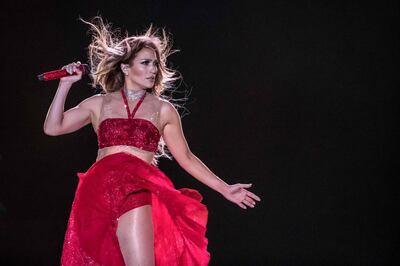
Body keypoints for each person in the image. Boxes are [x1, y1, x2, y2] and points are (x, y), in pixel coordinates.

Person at [43, 17, 261, 266]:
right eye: (145, 63)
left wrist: (225, 188)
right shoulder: (98, 103)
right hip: (97, 194)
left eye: (155, 64)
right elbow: (53, 127)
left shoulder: (163, 109)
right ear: (125, 68)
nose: (153, 70)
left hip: (135, 190)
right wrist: (64, 85)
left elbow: (186, 157)